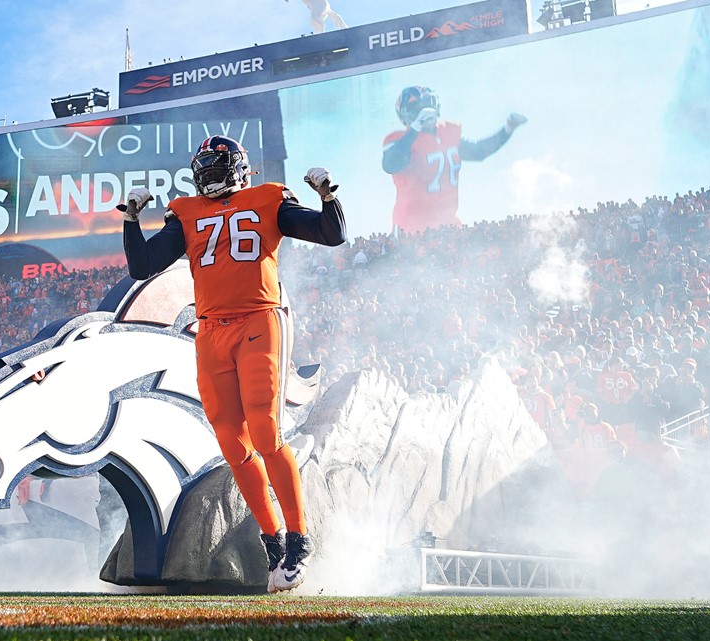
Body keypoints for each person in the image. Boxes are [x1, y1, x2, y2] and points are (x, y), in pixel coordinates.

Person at [122, 135, 346, 593]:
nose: (207, 173)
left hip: (259, 320)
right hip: (210, 331)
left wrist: (329, 198)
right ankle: (272, 541)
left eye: (215, 164)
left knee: (265, 430)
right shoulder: (186, 212)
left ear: (239, 167)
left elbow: (331, 233)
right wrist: (131, 220)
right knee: (231, 441)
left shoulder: (266, 199)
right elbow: (143, 265)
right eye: (202, 166)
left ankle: (299, 537)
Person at [381, 85, 527, 233]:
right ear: (408, 114)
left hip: (447, 224)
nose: (426, 111)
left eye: (429, 105)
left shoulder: (447, 133)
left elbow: (478, 151)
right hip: (412, 229)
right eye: (419, 108)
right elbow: (391, 164)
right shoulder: (399, 141)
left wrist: (508, 129)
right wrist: (415, 128)